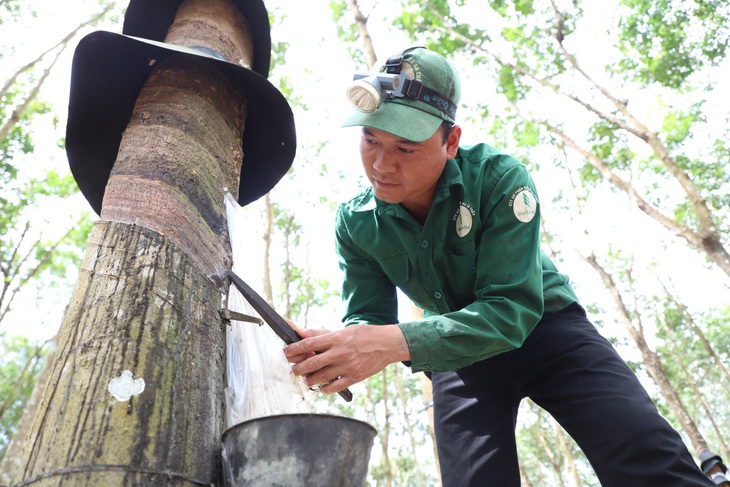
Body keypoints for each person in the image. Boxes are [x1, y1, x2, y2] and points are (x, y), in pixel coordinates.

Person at [284, 46, 713, 486]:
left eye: (406, 148)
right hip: (453, 354)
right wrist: (339, 345)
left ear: (450, 142)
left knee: (643, 453)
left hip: (546, 329)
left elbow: (510, 311)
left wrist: (387, 342)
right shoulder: (356, 223)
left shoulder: (498, 179)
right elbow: (370, 320)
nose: (381, 165)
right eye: (370, 139)